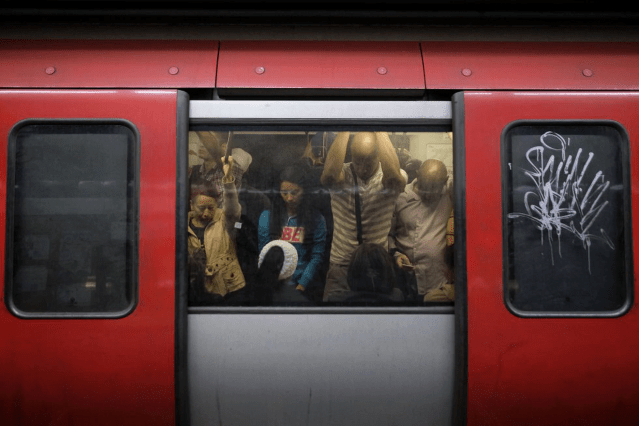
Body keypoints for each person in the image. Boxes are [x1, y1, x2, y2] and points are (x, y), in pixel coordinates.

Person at [321, 131, 406, 302]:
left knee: (378, 322)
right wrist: (346, 127)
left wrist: (379, 128)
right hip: (342, 264)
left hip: (377, 265)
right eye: (357, 160)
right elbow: (329, 175)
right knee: (333, 321)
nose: (362, 167)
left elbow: (395, 179)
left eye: (369, 160)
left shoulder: (390, 176)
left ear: (379, 156)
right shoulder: (342, 175)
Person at [389, 159, 454, 302]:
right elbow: (388, 234)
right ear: (417, 176)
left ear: (445, 181)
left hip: (437, 280)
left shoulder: (449, 192)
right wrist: (396, 254)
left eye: (434, 189)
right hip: (404, 280)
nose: (429, 194)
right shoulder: (400, 197)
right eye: (425, 187)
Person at [258, 164, 326, 301]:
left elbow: (316, 257)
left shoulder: (316, 219)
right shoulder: (267, 217)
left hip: (302, 285)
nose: (289, 198)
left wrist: (302, 285)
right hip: (273, 285)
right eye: (284, 193)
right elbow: (264, 253)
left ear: (304, 191)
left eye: (294, 193)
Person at [187, 156, 246, 302]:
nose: (206, 213)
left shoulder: (224, 219)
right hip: (199, 289)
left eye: (211, 208)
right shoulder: (182, 224)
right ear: (191, 205)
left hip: (230, 288)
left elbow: (232, 207)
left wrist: (228, 182)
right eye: (201, 208)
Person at [189, 131, 253, 197]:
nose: (202, 144)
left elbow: (214, 150)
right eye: (201, 140)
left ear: (223, 147)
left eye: (210, 139)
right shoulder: (195, 170)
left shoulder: (231, 170)